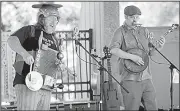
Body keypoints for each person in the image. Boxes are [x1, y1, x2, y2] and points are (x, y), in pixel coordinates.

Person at [7, 3, 64, 110]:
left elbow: (54, 61)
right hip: (27, 82)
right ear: (41, 19)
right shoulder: (30, 30)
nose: (54, 22)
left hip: (46, 86)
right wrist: (24, 54)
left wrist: (60, 66)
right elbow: (11, 40)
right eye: (51, 18)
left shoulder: (55, 39)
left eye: (56, 19)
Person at [109, 5, 166, 110]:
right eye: (132, 17)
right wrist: (132, 57)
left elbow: (150, 53)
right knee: (132, 108)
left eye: (137, 17)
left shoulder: (144, 31)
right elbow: (113, 49)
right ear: (125, 17)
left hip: (146, 77)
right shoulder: (119, 32)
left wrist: (159, 46)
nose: (135, 20)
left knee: (152, 107)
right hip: (129, 79)